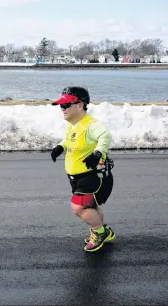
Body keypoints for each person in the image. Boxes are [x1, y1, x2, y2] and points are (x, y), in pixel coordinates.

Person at [50, 86, 115, 252]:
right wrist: (60, 147)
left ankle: (100, 232)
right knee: (90, 207)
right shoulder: (73, 124)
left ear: (79, 105)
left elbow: (105, 136)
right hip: (77, 177)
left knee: (78, 207)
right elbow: (68, 140)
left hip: (91, 175)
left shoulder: (90, 125)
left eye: (66, 105)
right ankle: (99, 231)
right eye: (61, 106)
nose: (62, 109)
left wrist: (97, 153)